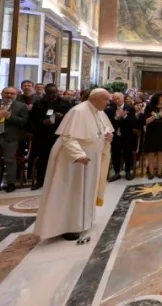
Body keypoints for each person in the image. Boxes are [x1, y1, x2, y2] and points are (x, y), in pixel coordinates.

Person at [34, 89, 113, 241]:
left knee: (86, 190)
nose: (107, 103)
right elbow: (68, 136)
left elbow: (104, 128)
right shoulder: (78, 111)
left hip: (91, 158)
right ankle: (67, 226)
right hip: (73, 160)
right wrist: (78, 154)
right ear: (94, 99)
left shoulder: (99, 111)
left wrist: (107, 134)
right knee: (72, 191)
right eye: (105, 100)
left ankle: (83, 221)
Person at [28, 83, 70, 189]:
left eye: (55, 92)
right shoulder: (38, 103)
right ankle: (40, 180)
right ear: (45, 93)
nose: (54, 95)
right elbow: (32, 119)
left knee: (60, 158)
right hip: (42, 135)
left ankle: (58, 180)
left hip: (58, 134)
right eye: (51, 93)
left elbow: (71, 117)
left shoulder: (64, 102)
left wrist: (62, 116)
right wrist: (42, 122)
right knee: (43, 158)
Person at [0, 87, 29, 192]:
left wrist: (9, 116)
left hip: (11, 137)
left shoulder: (21, 106)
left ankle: (10, 183)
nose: (9, 95)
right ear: (2, 93)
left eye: (12, 93)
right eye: (6, 93)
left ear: (16, 95)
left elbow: (23, 122)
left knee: (10, 160)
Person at [105, 93, 136, 181]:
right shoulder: (110, 110)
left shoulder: (130, 108)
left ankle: (127, 172)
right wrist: (116, 117)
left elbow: (133, 122)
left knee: (127, 154)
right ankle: (116, 172)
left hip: (127, 135)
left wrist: (125, 116)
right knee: (115, 154)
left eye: (118, 99)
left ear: (123, 98)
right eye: (114, 99)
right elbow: (109, 123)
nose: (116, 101)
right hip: (115, 136)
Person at [143, 93, 162, 179]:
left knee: (161, 152)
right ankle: (151, 172)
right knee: (151, 152)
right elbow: (146, 121)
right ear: (157, 98)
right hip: (151, 132)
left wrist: (161, 115)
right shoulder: (149, 107)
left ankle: (160, 171)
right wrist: (154, 116)